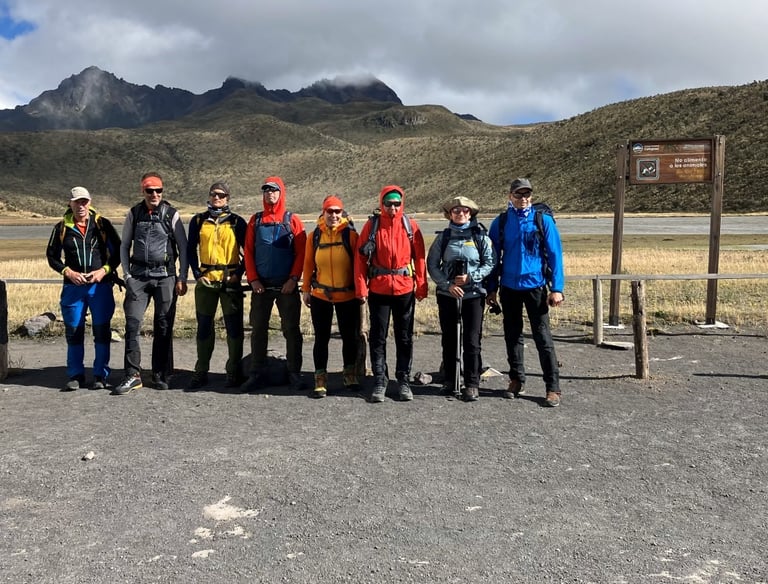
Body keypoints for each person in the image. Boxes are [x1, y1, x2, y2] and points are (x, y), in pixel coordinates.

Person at [486, 178, 565, 407]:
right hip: (509, 288)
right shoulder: (500, 223)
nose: (523, 199)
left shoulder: (543, 221)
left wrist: (557, 288)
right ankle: (516, 379)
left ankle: (552, 387)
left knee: (543, 338)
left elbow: (555, 255)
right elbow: (493, 259)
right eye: (519, 195)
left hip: (536, 287)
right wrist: (491, 288)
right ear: (510, 196)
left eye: (527, 194)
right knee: (512, 336)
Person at [113, 172, 189, 395]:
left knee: (163, 325)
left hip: (165, 276)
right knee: (132, 325)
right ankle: (132, 375)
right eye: (149, 190)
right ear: (142, 191)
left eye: (158, 190)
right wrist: (126, 275)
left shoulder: (171, 214)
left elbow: (183, 248)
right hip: (138, 277)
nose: (154, 194)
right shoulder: (134, 213)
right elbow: (124, 245)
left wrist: (182, 277)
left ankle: (160, 373)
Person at [354, 185, 428, 403]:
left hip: (404, 288)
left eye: (397, 203)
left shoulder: (410, 226)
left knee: (404, 337)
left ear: (401, 204)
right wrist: (361, 287)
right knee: (378, 337)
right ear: (382, 203)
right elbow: (360, 260)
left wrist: (421, 284)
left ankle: (403, 380)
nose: (393, 208)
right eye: (388, 203)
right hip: (379, 289)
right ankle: (380, 380)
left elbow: (420, 257)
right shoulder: (372, 226)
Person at [46, 186, 122, 391]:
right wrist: (67, 272)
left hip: (100, 286)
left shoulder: (102, 225)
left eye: (84, 201)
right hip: (73, 287)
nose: (81, 205)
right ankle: (76, 375)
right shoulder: (61, 228)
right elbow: (52, 256)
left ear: (90, 202)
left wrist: (104, 271)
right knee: (74, 331)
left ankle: (100, 375)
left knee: (102, 331)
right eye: (77, 201)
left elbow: (118, 252)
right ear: (69, 203)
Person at [427, 196, 496, 402]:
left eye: (464, 210)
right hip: (448, 295)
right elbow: (432, 265)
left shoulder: (480, 236)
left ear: (470, 213)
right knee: (449, 339)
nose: (460, 213)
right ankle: (450, 380)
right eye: (456, 211)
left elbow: (490, 262)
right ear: (450, 214)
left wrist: (470, 278)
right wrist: (447, 285)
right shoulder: (444, 237)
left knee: (472, 340)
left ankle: (472, 383)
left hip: (473, 295)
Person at [242, 176, 307, 392]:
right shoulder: (255, 221)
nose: (270, 194)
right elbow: (248, 252)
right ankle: (255, 373)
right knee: (258, 329)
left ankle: (294, 372)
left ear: (281, 193)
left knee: (291, 329)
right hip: (261, 286)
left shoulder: (292, 220)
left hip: (286, 285)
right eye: (266, 190)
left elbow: (301, 253)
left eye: (274, 190)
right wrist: (253, 279)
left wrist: (293, 279)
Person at [186, 182, 247, 390]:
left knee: (234, 328)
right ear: (209, 196)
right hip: (206, 280)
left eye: (222, 195)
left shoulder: (237, 222)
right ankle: (201, 370)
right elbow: (190, 249)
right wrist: (196, 273)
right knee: (204, 327)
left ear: (228, 198)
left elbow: (249, 252)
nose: (217, 198)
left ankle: (234, 372)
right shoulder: (198, 220)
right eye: (214, 194)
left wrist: (239, 274)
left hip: (230, 282)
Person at [301, 195, 361, 398]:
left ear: (342, 212)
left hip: (348, 295)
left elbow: (360, 266)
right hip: (321, 295)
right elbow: (308, 263)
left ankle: (350, 374)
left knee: (349, 338)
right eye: (330, 211)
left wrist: (361, 290)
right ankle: (320, 378)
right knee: (321, 338)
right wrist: (306, 289)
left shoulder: (351, 235)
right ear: (323, 212)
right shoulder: (314, 236)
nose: (334, 215)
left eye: (337, 211)